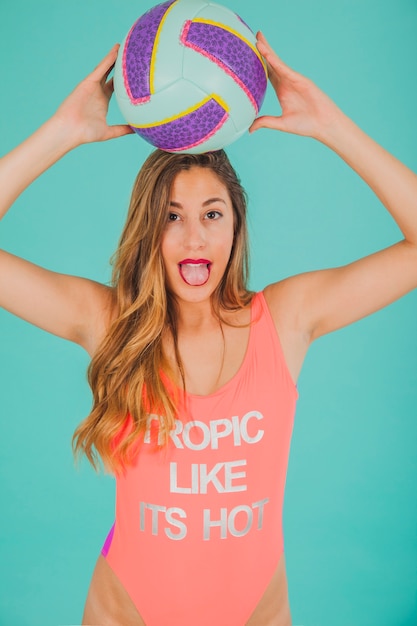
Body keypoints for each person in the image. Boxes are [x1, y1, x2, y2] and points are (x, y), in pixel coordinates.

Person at [1, 31, 416, 626]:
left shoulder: (285, 321)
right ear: (149, 231)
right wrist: (62, 133)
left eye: (211, 215)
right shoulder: (108, 322)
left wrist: (331, 124)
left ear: (235, 228)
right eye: (171, 217)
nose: (194, 238)